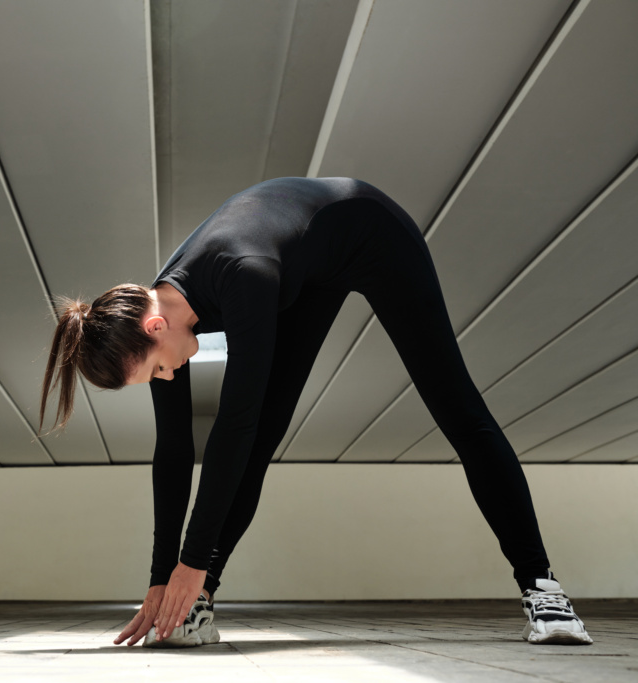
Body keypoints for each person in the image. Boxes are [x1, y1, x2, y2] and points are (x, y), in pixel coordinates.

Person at [39, 177, 592, 648]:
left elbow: (235, 423)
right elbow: (175, 451)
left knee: (459, 411)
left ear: (155, 329)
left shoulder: (244, 276)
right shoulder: (153, 312)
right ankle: (197, 602)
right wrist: (162, 578)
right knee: (258, 443)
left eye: (156, 370)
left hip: (371, 232)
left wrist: (193, 559)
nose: (167, 377)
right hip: (304, 266)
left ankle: (543, 589)